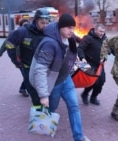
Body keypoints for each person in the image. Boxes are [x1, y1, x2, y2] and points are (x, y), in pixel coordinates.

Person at [29, 13, 90, 141]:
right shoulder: (49, 44)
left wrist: (86, 68)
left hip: (66, 78)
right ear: (60, 27)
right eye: (68, 28)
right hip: (54, 82)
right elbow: (40, 70)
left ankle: (79, 137)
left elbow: (72, 55)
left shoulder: (70, 37)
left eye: (73, 28)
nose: (71, 31)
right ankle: (43, 127)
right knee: (51, 108)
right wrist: (43, 95)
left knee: (74, 106)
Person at [6, 8, 50, 103]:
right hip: (28, 68)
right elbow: (9, 44)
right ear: (36, 20)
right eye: (43, 23)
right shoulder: (23, 32)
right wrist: (16, 61)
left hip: (43, 69)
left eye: (47, 23)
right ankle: (38, 114)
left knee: (45, 94)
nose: (45, 26)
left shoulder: (49, 33)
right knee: (35, 96)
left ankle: (42, 112)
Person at [0, 19, 29, 97]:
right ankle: (23, 89)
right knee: (27, 76)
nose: (26, 26)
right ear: (21, 25)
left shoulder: (29, 33)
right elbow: (6, 43)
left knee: (28, 75)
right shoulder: (15, 33)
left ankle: (23, 88)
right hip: (19, 59)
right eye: (24, 24)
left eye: (27, 24)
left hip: (27, 58)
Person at [77, 24, 107, 105]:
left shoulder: (105, 39)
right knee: (93, 81)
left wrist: (105, 58)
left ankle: (93, 97)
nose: (102, 33)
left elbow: (108, 49)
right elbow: (80, 48)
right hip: (88, 64)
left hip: (100, 65)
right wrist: (82, 58)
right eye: (100, 31)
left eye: (103, 32)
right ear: (95, 30)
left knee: (101, 81)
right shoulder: (88, 38)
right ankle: (85, 94)